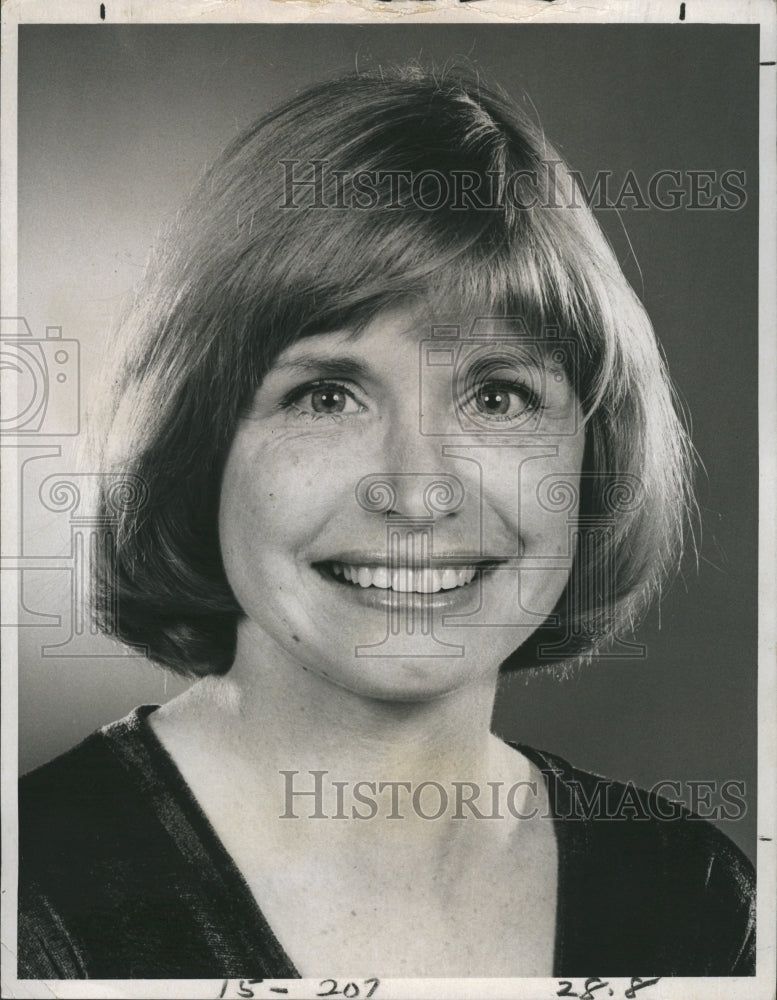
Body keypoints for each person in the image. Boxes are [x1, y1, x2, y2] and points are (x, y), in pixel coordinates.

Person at [18, 68, 755, 979]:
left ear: (590, 451)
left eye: (496, 395)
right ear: (198, 449)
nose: (418, 491)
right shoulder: (34, 899)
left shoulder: (690, 896)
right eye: (324, 396)